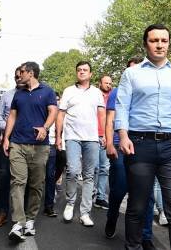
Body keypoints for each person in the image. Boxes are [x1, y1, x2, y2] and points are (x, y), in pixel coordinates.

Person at [115, 24, 171, 250]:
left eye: (164, 40)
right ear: (145, 44)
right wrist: (123, 135)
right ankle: (133, 247)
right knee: (138, 207)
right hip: (139, 145)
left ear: (169, 43)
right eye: (154, 40)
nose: (160, 44)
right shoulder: (131, 73)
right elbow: (122, 106)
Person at [104, 57, 157, 250]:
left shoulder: (150, 92)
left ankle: (146, 236)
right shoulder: (117, 92)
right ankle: (112, 218)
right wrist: (110, 143)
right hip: (120, 149)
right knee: (118, 191)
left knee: (147, 195)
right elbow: (110, 120)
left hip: (144, 149)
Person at [2, 61, 57, 242]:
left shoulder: (47, 91)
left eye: (22, 72)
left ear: (31, 73)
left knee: (36, 184)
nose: (20, 75)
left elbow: (53, 111)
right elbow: (12, 116)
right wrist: (6, 138)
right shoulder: (19, 93)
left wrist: (45, 127)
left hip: (40, 147)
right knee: (18, 182)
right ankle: (18, 222)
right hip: (17, 144)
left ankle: (30, 219)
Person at [56, 61, 105, 227]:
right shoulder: (69, 91)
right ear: (76, 73)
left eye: (85, 70)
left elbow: (102, 115)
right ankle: (70, 204)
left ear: (91, 74)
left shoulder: (97, 93)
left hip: (91, 138)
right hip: (72, 137)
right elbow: (60, 115)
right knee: (73, 171)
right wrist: (58, 136)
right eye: (79, 70)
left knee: (90, 175)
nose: (82, 72)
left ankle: (85, 212)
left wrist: (103, 134)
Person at [0, 66, 23, 228]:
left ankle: (22, 217)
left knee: (22, 179)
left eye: (21, 75)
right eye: (16, 76)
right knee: (4, 177)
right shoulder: (7, 96)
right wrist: (6, 128)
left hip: (25, 142)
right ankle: (3, 212)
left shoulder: (32, 95)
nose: (18, 78)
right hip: (7, 140)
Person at [94, 74, 113, 209]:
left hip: (108, 136)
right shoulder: (94, 95)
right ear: (100, 83)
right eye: (106, 83)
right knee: (93, 168)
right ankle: (91, 194)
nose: (108, 85)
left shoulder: (114, 96)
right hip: (93, 136)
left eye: (110, 83)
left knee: (104, 169)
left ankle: (100, 197)